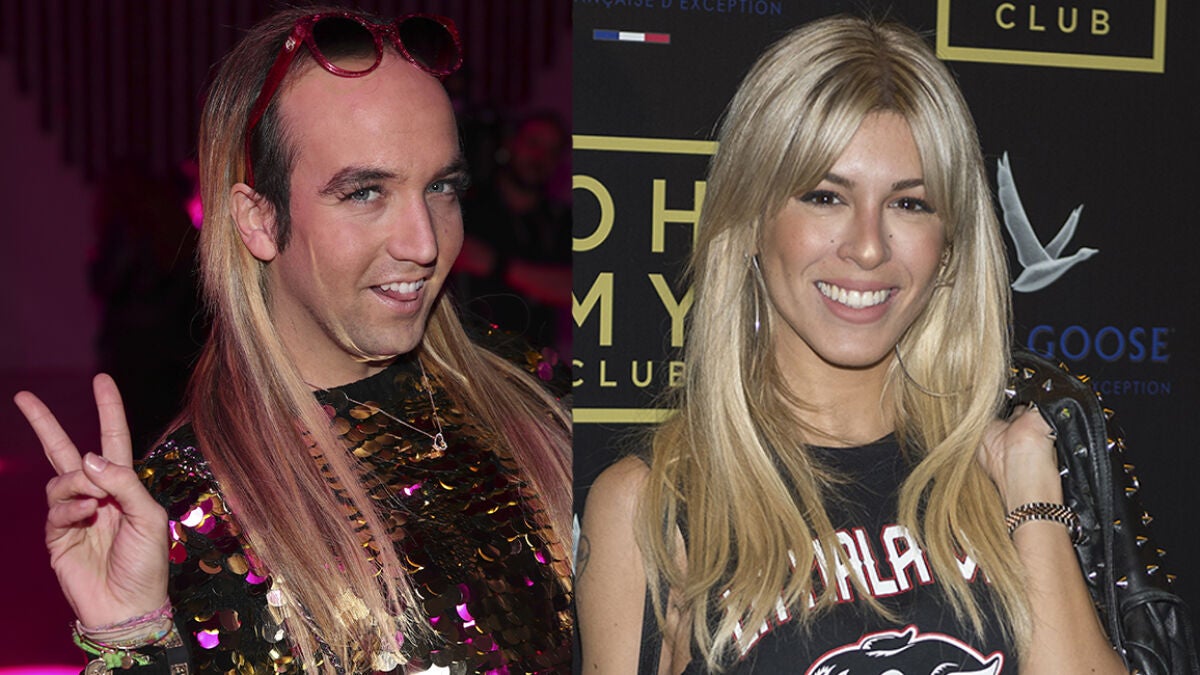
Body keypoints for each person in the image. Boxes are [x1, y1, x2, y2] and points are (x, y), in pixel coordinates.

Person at [577, 15, 1195, 675]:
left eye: (909, 204)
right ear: (751, 218)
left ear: (949, 243)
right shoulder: (651, 505)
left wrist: (1032, 499)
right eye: (825, 196)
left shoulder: (1010, 467)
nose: (868, 246)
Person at [16, 7, 572, 674]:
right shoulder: (192, 509)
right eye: (365, 192)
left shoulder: (531, 386)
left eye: (442, 187)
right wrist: (131, 640)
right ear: (258, 219)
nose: (425, 243)